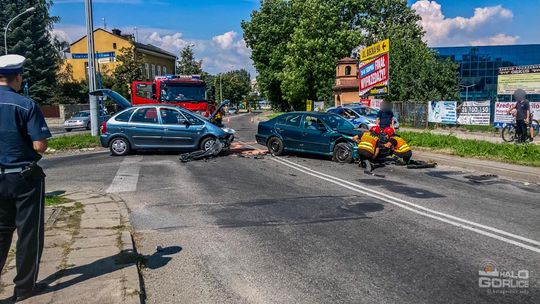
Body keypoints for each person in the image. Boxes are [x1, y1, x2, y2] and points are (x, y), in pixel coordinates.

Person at [0, 54, 52, 302]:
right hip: (23, 178)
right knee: (28, 233)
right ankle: (24, 288)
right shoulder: (25, 105)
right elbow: (40, 145)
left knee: (0, 234)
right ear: (17, 77)